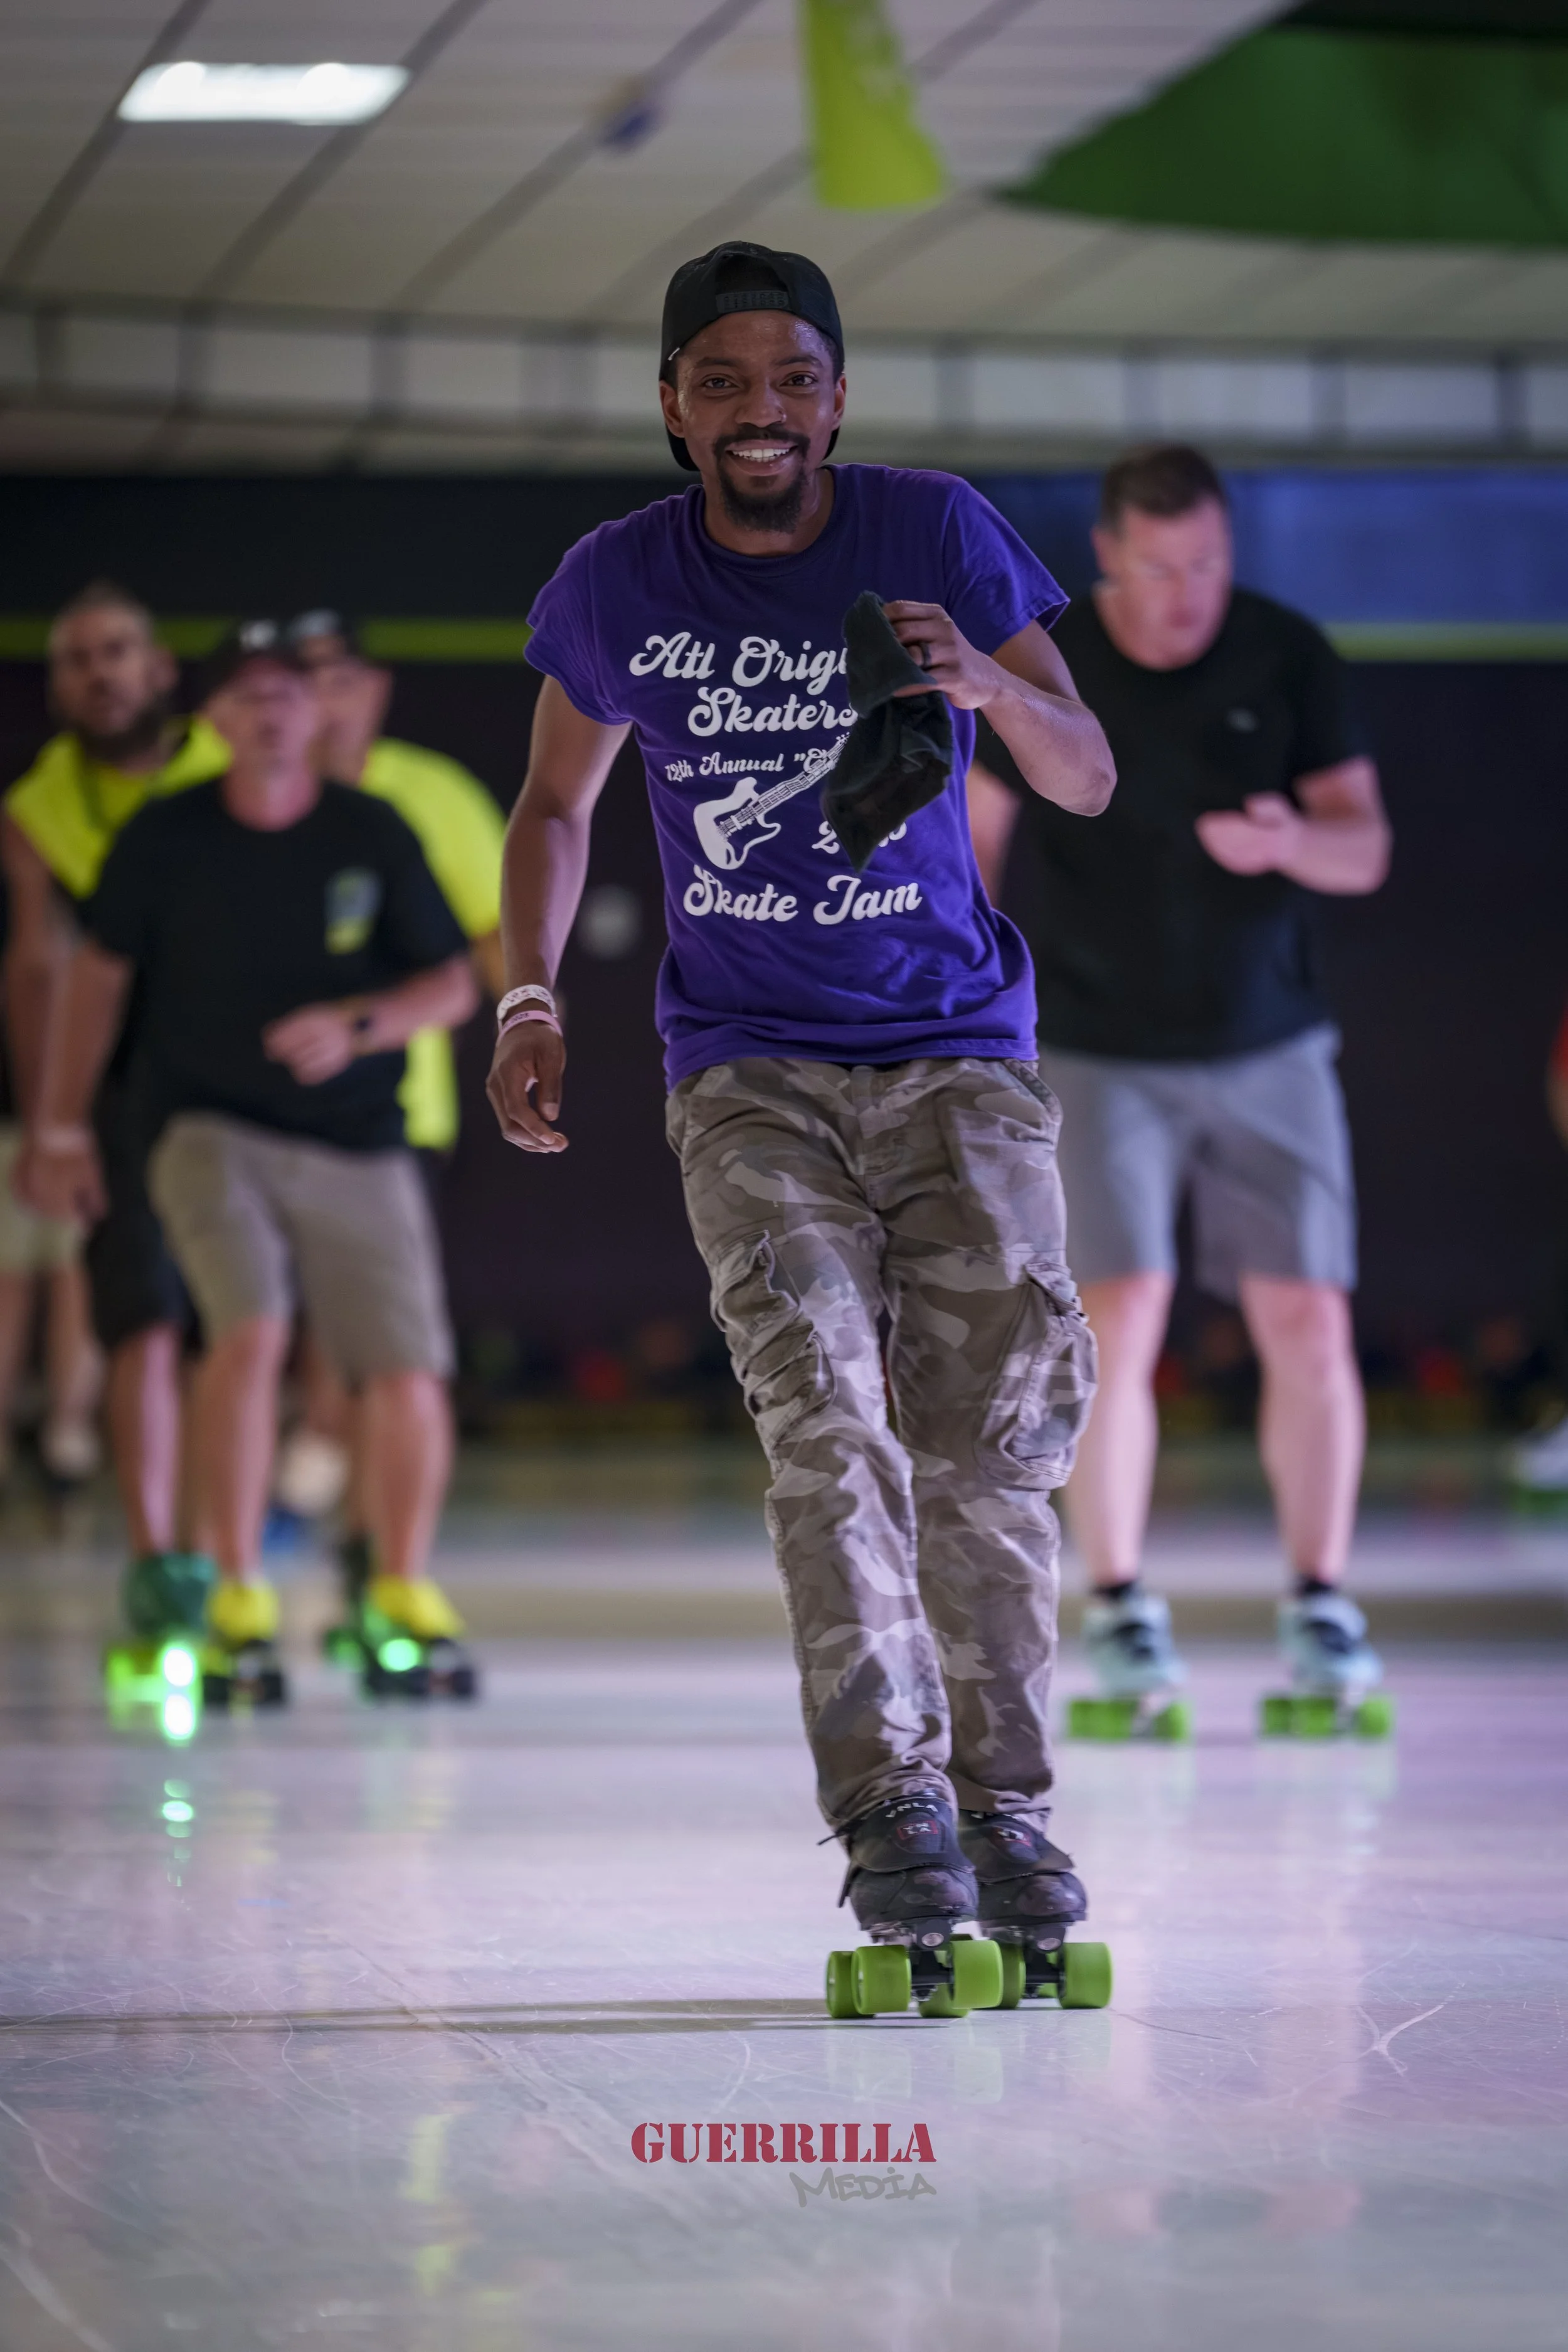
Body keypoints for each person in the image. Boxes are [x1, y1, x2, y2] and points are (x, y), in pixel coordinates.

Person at [487, 240, 1116, 1968]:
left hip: (957, 1054)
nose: (759, 411)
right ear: (673, 405)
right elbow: (552, 805)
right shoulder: (617, 580)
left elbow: (1087, 767)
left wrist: (987, 682)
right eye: (721, 381)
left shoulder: (932, 531)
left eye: (790, 379)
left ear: (835, 396)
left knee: (989, 1446)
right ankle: (891, 1807)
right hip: (746, 1069)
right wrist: (527, 993)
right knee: (824, 1422)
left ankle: (1005, 1806)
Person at [967, 443, 1392, 1724]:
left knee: (1307, 1318)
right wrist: (968, 996)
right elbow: (977, 835)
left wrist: (1288, 840)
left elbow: (1361, 847)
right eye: (1157, 569)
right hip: (1100, 1048)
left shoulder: (1282, 651)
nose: (1184, 593)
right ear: (1107, 561)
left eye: (1205, 563)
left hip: (1269, 1041)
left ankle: (1318, 1599)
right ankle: (1120, 1607)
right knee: (1118, 1319)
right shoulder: (1050, 658)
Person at [25, 623, 478, 1676]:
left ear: (321, 712)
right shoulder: (166, 836)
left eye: (294, 693)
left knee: (407, 1365)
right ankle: (235, 1587)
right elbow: (94, 982)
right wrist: (57, 1120)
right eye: (251, 696)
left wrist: (360, 1023)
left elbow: (451, 982)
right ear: (215, 723)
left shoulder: (371, 830)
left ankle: (402, 1584)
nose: (275, 711)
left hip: (360, 1137)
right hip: (207, 1128)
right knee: (252, 1330)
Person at [4, 583, 230, 1599]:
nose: (101, 672)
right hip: (120, 1094)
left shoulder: (231, 769)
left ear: (159, 669)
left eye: (118, 651)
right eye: (79, 658)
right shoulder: (37, 808)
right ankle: (154, 1561)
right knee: (137, 1315)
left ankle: (230, 1548)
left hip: (240, 1093)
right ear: (58, 688)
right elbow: (38, 966)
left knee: (236, 1326)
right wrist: (52, 1122)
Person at [266, 611, 506, 1540]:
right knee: (253, 1309)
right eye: (301, 675)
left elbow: (496, 937)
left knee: (367, 1325)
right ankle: (288, 1486)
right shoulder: (238, 790)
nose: (321, 696)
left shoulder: (428, 795)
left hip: (398, 1107)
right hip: (245, 1099)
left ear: (373, 689)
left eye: (338, 676)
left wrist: (515, 1009)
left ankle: (348, 1509)